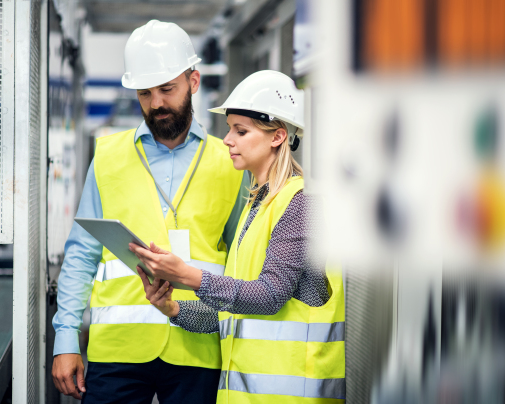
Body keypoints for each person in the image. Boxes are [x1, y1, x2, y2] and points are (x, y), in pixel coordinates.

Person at [51, 20, 249, 404]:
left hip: (201, 345)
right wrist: (66, 338)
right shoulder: (107, 157)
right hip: (118, 350)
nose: (156, 103)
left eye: (166, 89)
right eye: (145, 93)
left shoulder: (230, 161)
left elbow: (244, 259)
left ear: (193, 82)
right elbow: (82, 253)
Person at [130, 70, 346, 403]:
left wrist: (187, 275)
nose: (228, 140)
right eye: (230, 129)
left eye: (240, 131)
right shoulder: (257, 205)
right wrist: (173, 308)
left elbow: (270, 295)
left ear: (277, 137)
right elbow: (235, 315)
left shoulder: (302, 203)